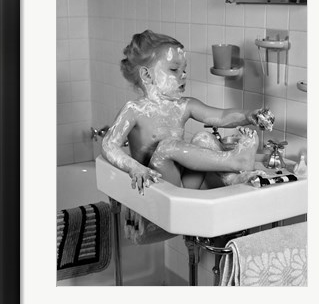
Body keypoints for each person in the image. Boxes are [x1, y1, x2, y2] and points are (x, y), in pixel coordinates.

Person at [102, 30, 274, 195]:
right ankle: (234, 160)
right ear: (147, 76)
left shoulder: (184, 105)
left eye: (184, 69)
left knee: (203, 138)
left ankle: (233, 177)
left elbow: (221, 117)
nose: (183, 75)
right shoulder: (134, 110)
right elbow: (109, 145)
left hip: (186, 185)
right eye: (174, 69)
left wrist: (249, 115)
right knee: (166, 146)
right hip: (160, 185)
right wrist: (135, 167)